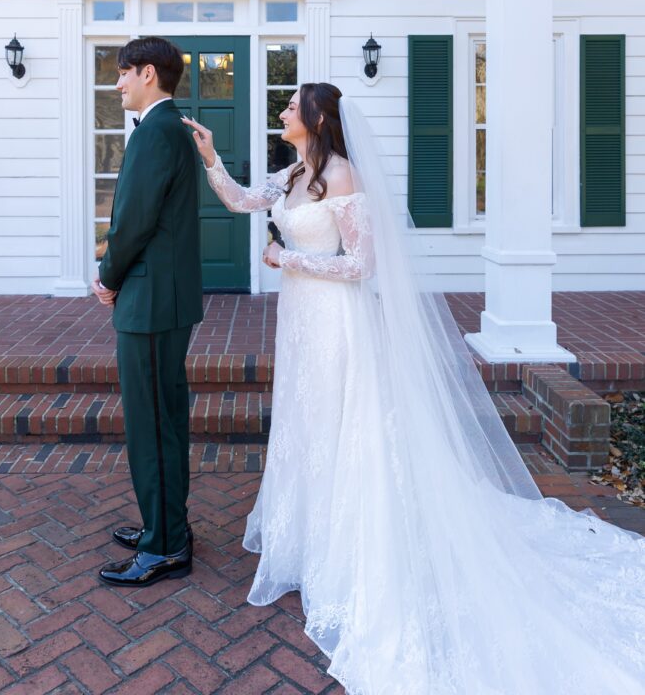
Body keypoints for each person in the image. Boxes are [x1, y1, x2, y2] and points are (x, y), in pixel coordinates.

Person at [185, 83, 645, 695]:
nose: (283, 111)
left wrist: (288, 259)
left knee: (342, 425)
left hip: (336, 322)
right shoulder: (295, 172)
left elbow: (361, 265)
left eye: (292, 106)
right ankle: (311, 540)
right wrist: (211, 156)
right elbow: (244, 201)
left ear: (318, 118)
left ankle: (349, 550)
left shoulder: (343, 177)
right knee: (309, 423)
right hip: (301, 322)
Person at [92, 37, 203, 589]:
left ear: (150, 75)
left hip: (151, 301)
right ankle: (167, 526)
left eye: (123, 74)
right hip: (161, 298)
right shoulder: (166, 130)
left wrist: (108, 276)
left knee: (151, 425)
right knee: (163, 420)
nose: (117, 84)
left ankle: (164, 547)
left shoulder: (157, 132)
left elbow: (132, 220)